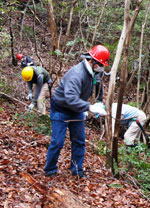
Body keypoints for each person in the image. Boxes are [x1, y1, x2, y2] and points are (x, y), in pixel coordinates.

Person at [44, 45, 110, 178]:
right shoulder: (77, 74)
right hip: (61, 108)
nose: (101, 68)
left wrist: (97, 103)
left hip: (77, 109)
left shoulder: (94, 72)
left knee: (79, 141)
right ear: (92, 61)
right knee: (58, 142)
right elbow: (70, 98)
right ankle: (50, 170)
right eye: (100, 65)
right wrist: (88, 107)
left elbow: (96, 88)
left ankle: (77, 169)